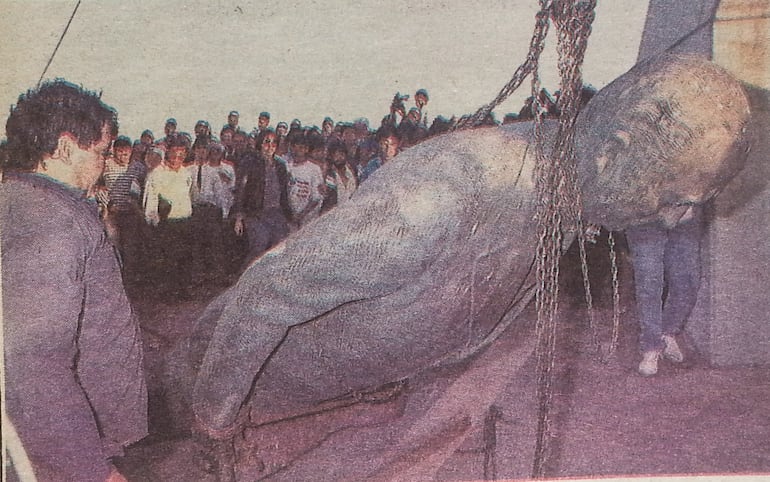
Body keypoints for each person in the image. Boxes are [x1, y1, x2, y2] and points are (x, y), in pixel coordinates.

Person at [1, 79, 147, 481]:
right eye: (100, 152)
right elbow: (34, 364)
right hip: (64, 452)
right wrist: (92, 470)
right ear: (65, 148)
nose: (103, 164)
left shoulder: (26, 200)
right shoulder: (50, 221)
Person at [233, 128, 291, 263]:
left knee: (279, 247)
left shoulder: (280, 165)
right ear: (260, 144)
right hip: (255, 213)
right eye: (266, 142)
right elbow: (241, 189)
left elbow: (284, 194)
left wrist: (289, 217)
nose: (270, 147)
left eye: (273, 143)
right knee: (260, 243)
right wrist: (239, 217)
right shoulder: (250, 162)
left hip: (276, 213)